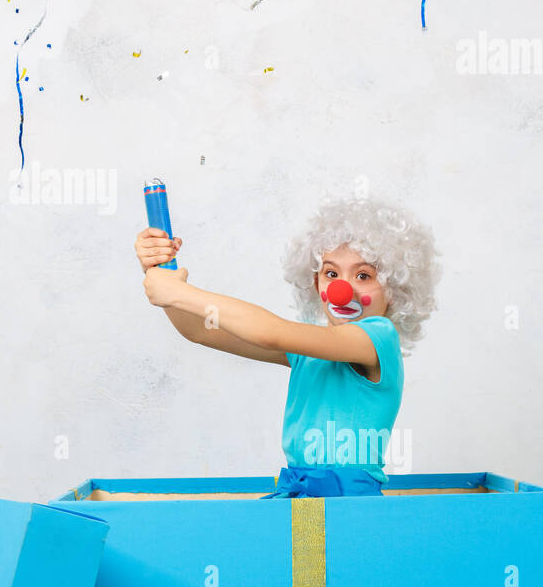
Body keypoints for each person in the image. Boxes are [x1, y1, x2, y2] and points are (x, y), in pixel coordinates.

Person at [136, 195, 440, 497]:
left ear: (395, 289)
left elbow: (271, 333)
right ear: (315, 281)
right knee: (303, 549)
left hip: (351, 500)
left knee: (342, 548)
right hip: (299, 493)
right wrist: (160, 273)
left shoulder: (378, 338)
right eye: (331, 274)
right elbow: (200, 330)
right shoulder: (308, 352)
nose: (340, 291)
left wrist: (180, 293)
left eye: (363, 276)